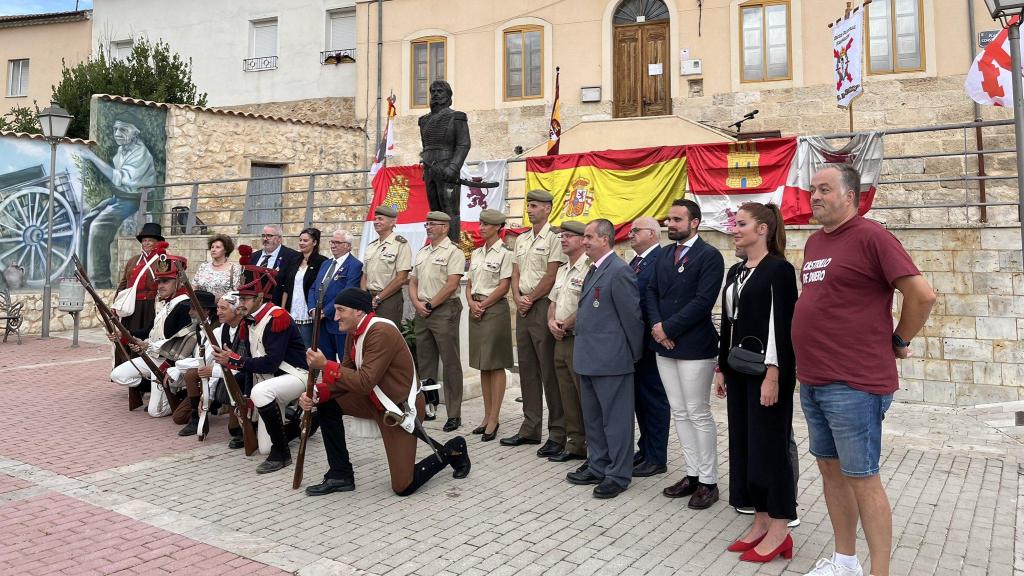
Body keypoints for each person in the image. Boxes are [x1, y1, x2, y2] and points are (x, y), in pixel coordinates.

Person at [793, 165, 935, 576]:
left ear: (851, 195)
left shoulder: (873, 237)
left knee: (863, 478)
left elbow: (922, 295)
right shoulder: (817, 242)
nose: (814, 196)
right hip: (815, 379)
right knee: (830, 471)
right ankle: (844, 561)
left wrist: (900, 339)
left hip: (853, 384)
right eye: (812, 189)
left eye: (824, 189)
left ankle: (880, 572)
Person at [300, 288, 470, 496]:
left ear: (358, 312)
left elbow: (363, 382)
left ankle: (454, 449)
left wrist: (325, 365)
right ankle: (340, 475)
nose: (335, 316)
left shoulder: (381, 332)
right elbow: (347, 377)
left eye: (340, 310)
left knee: (403, 486)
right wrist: (317, 392)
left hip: (398, 409)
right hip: (373, 399)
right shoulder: (354, 333)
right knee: (326, 403)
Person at [712, 202, 799, 563]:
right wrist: (721, 368)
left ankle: (780, 527)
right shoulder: (736, 271)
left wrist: (774, 374)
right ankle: (760, 521)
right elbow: (728, 323)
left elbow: (782, 326)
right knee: (746, 447)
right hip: (738, 371)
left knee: (771, 449)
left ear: (762, 229)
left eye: (742, 224)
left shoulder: (779, 269)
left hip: (767, 374)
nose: (735, 229)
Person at [646, 199, 725, 510]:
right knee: (678, 411)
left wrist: (668, 329)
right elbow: (651, 291)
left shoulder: (710, 256)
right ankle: (692, 475)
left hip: (694, 347)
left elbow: (703, 302)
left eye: (677, 219)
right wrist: (656, 326)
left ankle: (709, 481)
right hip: (663, 345)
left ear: (695, 222)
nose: (671, 224)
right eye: (669, 219)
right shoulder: (665, 254)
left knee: (697, 412)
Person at [565, 219, 643, 499]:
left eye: (588, 237)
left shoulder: (619, 271)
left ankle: (619, 474)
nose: (583, 241)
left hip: (612, 361)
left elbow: (632, 319)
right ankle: (598, 465)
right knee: (594, 419)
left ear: (605, 240)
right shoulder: (594, 268)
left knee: (617, 421)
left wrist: (632, 356)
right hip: (588, 357)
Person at [213, 264, 309, 474]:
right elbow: (250, 363)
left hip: (294, 375)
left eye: (246, 298)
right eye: (242, 298)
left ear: (260, 296)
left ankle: (282, 454)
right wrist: (246, 396)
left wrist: (235, 360)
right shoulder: (248, 321)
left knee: (261, 392)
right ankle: (300, 426)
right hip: (267, 381)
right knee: (264, 448)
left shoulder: (278, 317)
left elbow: (271, 363)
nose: (242, 303)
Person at [501, 190, 566, 457]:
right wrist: (517, 297)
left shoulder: (554, 238)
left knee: (548, 371)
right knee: (526, 369)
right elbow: (515, 272)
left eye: (536, 206)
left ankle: (558, 432)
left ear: (548, 209)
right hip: (524, 307)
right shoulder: (523, 239)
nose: (530, 209)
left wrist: (530, 298)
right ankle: (530, 427)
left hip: (542, 306)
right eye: (528, 205)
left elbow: (552, 274)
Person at [109, 253, 193, 417]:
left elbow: (180, 343)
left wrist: (147, 345)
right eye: (159, 281)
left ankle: (176, 395)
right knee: (118, 375)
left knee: (155, 412)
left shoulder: (185, 305)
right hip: (153, 357)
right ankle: (154, 385)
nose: (160, 285)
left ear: (179, 281)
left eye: (166, 281)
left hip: (169, 362)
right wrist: (123, 335)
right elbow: (148, 331)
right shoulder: (166, 303)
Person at [83, 120, 159, 288]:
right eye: (115, 129)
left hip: (136, 199)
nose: (117, 133)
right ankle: (84, 273)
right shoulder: (122, 150)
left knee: (99, 226)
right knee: (86, 221)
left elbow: (120, 177)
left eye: (123, 129)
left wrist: (93, 158)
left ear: (134, 133)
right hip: (121, 196)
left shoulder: (141, 153)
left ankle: (100, 281)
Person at [408, 211, 465, 432]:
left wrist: (430, 305)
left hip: (443, 310)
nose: (428, 227)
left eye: (432, 224)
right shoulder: (423, 252)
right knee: (425, 362)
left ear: (444, 227)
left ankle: (454, 413)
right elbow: (413, 281)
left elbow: (452, 284)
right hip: (422, 311)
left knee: (450, 363)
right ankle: (429, 407)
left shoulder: (453, 252)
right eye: (427, 224)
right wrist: (416, 303)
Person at [465, 209, 514, 442]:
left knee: (496, 365)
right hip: (476, 309)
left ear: (497, 227)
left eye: (486, 224)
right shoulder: (476, 253)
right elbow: (469, 283)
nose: (481, 227)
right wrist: (471, 303)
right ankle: (486, 416)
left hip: (493, 310)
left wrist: (482, 305)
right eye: (480, 223)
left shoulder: (505, 253)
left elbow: (504, 286)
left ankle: (494, 418)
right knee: (483, 365)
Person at [627, 216, 670, 478]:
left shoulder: (660, 260)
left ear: (653, 234)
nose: (630, 234)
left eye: (636, 231)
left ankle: (656, 457)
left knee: (654, 400)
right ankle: (644, 449)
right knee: (640, 400)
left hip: (651, 342)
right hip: (635, 342)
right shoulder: (636, 261)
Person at [545, 220, 589, 462]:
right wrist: (552, 321)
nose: (562, 239)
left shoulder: (589, 268)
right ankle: (575, 443)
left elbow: (586, 306)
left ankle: (592, 443)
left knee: (583, 394)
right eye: (561, 236)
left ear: (583, 240)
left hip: (576, 338)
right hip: (559, 337)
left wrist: (567, 323)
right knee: (567, 394)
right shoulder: (562, 269)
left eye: (568, 236)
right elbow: (553, 301)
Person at [419, 79, 471, 243]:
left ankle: (452, 245)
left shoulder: (456, 117)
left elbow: (463, 144)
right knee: (434, 211)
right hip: (430, 171)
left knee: (450, 210)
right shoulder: (424, 120)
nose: (435, 94)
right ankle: (437, 244)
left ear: (448, 96)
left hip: (447, 168)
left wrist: (453, 167)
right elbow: (426, 146)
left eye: (439, 91)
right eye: (433, 91)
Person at [112, 223, 165, 369]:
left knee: (146, 338)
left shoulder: (163, 260)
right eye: (144, 240)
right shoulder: (133, 261)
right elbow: (123, 284)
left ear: (157, 242)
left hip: (151, 306)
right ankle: (126, 370)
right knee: (127, 337)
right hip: (132, 307)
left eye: (150, 240)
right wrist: (115, 306)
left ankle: (145, 373)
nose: (146, 243)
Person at [167, 289, 220, 436]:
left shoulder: (216, 329)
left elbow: (205, 360)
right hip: (204, 374)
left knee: (190, 374)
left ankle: (198, 417)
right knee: (179, 418)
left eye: (193, 308)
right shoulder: (199, 326)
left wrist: (177, 367)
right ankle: (197, 409)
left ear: (206, 311)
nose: (189, 312)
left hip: (215, 375)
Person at [308, 230, 362, 362]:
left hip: (338, 321)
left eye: (337, 242)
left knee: (345, 360)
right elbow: (314, 288)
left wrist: (325, 311)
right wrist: (313, 309)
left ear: (348, 246)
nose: (333, 245)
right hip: (320, 323)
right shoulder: (326, 263)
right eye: (332, 242)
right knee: (325, 361)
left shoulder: (355, 265)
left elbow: (347, 291)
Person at [360, 206, 412, 326]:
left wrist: (378, 298)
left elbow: (401, 278)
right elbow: (365, 274)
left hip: (389, 299)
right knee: (368, 335)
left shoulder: (400, 244)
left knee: (386, 337)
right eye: (375, 219)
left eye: (380, 219)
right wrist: (364, 296)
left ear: (393, 222)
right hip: (369, 298)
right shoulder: (371, 246)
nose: (376, 222)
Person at [282, 227, 327, 347]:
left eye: (305, 240)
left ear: (315, 242)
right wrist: (282, 309)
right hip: (291, 311)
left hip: (307, 312)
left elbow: (320, 288)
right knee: (290, 346)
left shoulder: (322, 262)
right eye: (300, 240)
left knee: (306, 346)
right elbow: (287, 287)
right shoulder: (294, 260)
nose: (301, 243)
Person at [251, 224, 302, 306]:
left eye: (269, 236)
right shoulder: (253, 256)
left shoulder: (292, 256)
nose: (265, 239)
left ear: (279, 239)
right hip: (253, 304)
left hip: (277, 304)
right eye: (263, 236)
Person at [193, 234, 243, 298]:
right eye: (212, 247)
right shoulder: (203, 266)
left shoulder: (235, 269)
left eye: (218, 247)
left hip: (223, 306)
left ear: (226, 250)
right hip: (202, 305)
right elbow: (194, 286)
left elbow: (237, 293)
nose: (213, 250)